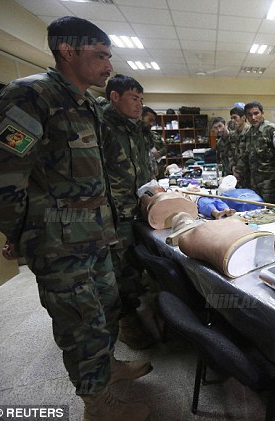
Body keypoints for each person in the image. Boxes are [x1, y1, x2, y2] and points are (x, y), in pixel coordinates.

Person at [0, 16, 150, 420]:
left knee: (104, 311)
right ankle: (97, 404)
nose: (108, 66)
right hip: (58, 243)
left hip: (95, 236)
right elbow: (1, 181)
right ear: (67, 51)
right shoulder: (30, 96)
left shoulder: (85, 105)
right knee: (80, 322)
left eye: (108, 57)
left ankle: (105, 368)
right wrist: (26, 234)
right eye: (99, 56)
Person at [101, 74, 155, 350]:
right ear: (115, 97)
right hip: (112, 211)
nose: (139, 105)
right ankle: (125, 320)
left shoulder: (133, 128)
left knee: (133, 261)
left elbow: (141, 166)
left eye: (141, 99)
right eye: (134, 98)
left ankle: (136, 305)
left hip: (136, 207)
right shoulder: (100, 125)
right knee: (118, 267)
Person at [235, 101, 275, 204]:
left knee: (272, 211)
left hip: (270, 183)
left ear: (262, 113)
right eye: (249, 115)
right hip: (254, 182)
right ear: (246, 117)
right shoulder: (248, 133)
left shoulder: (273, 130)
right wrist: (237, 172)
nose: (253, 117)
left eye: (256, 113)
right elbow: (244, 156)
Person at [141, 106, 167, 179]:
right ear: (141, 117)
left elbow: (165, 147)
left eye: (153, 121)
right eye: (150, 120)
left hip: (159, 169)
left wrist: (159, 153)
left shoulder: (154, 135)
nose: (152, 124)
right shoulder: (135, 136)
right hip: (145, 175)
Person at [227, 106, 249, 175]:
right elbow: (230, 152)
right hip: (236, 172)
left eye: (235, 117)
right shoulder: (233, 135)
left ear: (243, 118)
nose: (232, 120)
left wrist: (238, 170)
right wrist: (233, 167)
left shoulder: (250, 132)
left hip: (248, 172)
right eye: (231, 118)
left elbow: (248, 154)